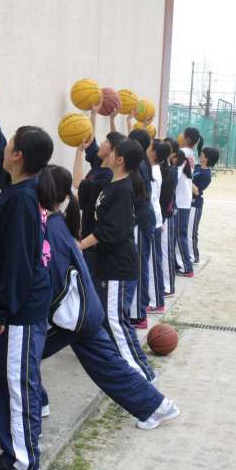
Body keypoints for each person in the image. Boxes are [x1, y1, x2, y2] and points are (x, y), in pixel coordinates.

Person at [42, 165, 179, 429]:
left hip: (73, 315)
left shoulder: (51, 228)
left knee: (16, 357)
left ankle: (34, 406)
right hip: (84, 311)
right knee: (107, 365)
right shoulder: (59, 222)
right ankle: (157, 406)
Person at [0, 75, 54, 470]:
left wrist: (1, 311)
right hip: (20, 305)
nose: (5, 147)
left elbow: (20, 264)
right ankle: (15, 445)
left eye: (10, 143)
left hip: (22, 308)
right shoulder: (21, 186)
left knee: (17, 381)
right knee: (9, 378)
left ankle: (23, 458)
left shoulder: (23, 200)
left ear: (20, 156)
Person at [79, 138, 156, 382]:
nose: (108, 152)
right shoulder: (113, 184)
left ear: (120, 159)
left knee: (116, 323)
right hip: (109, 266)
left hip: (119, 268)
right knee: (112, 321)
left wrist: (78, 245)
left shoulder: (123, 190)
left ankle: (143, 378)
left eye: (112, 150)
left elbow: (109, 231)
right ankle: (136, 376)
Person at [73, 106, 123, 273]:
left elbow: (77, 183)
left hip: (94, 238)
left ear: (113, 151)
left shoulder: (106, 177)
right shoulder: (99, 163)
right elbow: (89, 139)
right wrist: (93, 113)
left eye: (106, 142)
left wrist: (78, 152)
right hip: (87, 231)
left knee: (91, 276)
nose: (102, 143)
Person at [127, 128, 157, 329]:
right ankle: (138, 310)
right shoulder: (141, 162)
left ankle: (139, 314)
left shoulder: (139, 166)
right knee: (140, 265)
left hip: (141, 221)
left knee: (138, 267)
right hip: (144, 219)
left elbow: (137, 198)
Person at [146, 140, 172, 314]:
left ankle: (157, 302)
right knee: (153, 261)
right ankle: (155, 298)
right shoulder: (154, 167)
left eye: (149, 147)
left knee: (153, 262)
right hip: (155, 219)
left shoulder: (153, 170)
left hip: (154, 220)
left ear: (154, 153)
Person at [188, 147, 220, 263]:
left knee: (191, 232)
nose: (200, 156)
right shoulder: (197, 167)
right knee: (186, 231)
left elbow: (197, 191)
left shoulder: (206, 174)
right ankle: (187, 256)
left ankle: (194, 257)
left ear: (206, 158)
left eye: (202, 155)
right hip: (187, 203)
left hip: (195, 205)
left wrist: (187, 179)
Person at [160, 138, 179, 296]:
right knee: (162, 251)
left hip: (166, 215)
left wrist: (163, 217)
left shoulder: (171, 171)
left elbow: (165, 198)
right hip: (163, 215)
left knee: (166, 251)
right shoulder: (162, 168)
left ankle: (168, 286)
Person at [174, 149, 194, 277]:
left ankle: (187, 267)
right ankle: (180, 264)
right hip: (184, 203)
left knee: (180, 235)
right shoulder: (186, 164)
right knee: (180, 235)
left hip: (181, 204)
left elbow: (173, 180)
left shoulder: (180, 166)